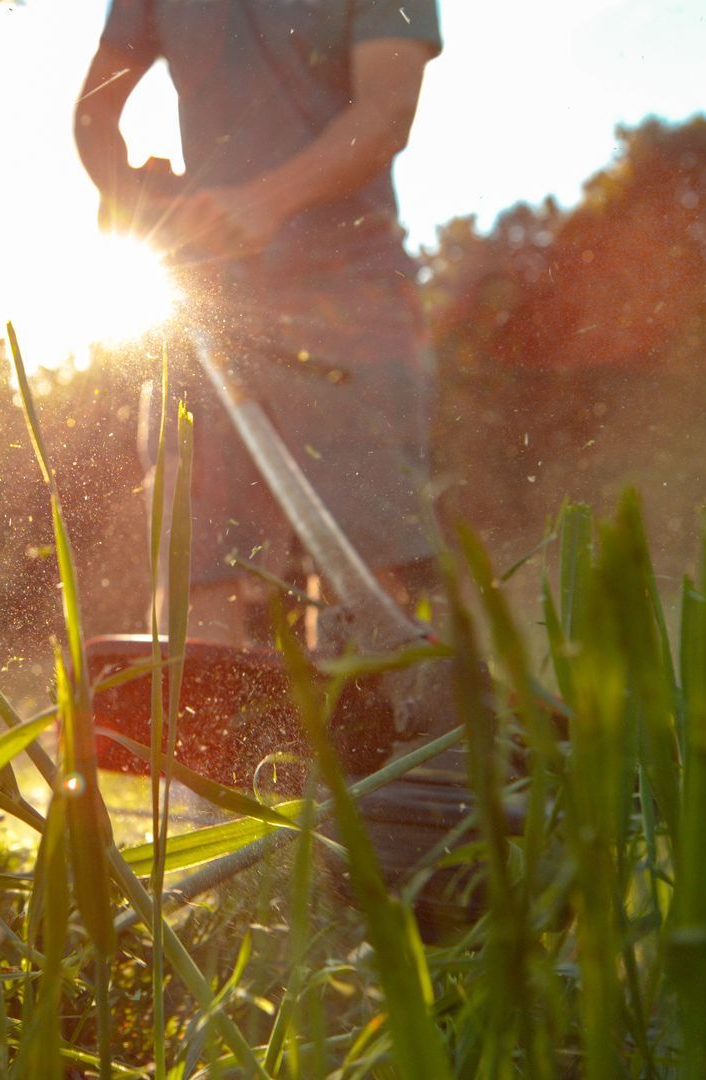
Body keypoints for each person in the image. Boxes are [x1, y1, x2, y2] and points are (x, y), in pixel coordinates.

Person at [75, 0, 444, 648]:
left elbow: (387, 112)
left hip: (349, 282)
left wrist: (266, 201)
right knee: (197, 536)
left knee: (366, 534)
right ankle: (200, 728)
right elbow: (94, 112)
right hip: (208, 280)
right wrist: (129, 194)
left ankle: (374, 724)